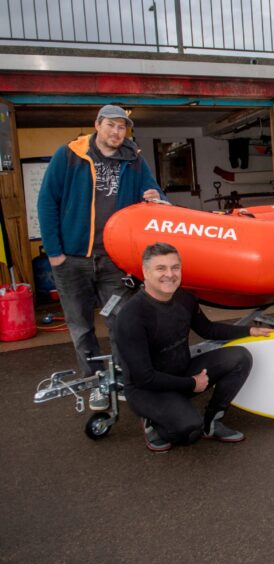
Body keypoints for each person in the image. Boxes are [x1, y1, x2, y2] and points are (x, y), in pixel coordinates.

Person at [37, 104, 162, 411]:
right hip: (72, 260)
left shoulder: (134, 160)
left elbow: (154, 191)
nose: (116, 132)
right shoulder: (69, 155)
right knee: (80, 326)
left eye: (122, 128)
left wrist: (155, 196)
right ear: (97, 125)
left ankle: (123, 379)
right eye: (111, 126)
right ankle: (96, 383)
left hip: (115, 260)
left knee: (121, 321)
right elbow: (46, 202)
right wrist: (55, 254)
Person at [114, 243, 273, 452]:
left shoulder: (184, 298)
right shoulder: (131, 317)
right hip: (148, 389)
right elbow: (144, 377)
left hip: (181, 372)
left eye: (175, 267)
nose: (169, 274)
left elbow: (208, 329)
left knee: (240, 357)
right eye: (161, 268)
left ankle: (212, 421)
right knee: (188, 431)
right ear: (145, 272)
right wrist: (191, 384)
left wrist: (249, 331)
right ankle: (152, 420)